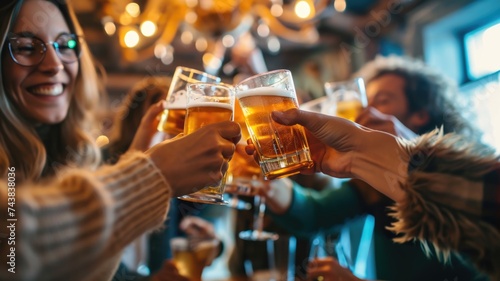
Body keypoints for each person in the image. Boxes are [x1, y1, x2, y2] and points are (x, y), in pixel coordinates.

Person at [0, 1, 240, 280]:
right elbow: (13, 249)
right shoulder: (104, 164)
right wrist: (148, 176)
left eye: (65, 45)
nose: (54, 65)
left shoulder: (69, 153)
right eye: (26, 47)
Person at [262, 56, 488, 280]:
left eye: (382, 100)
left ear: (421, 114)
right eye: (365, 100)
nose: (366, 110)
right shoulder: (372, 182)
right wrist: (267, 185)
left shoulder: (470, 181)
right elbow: (314, 215)